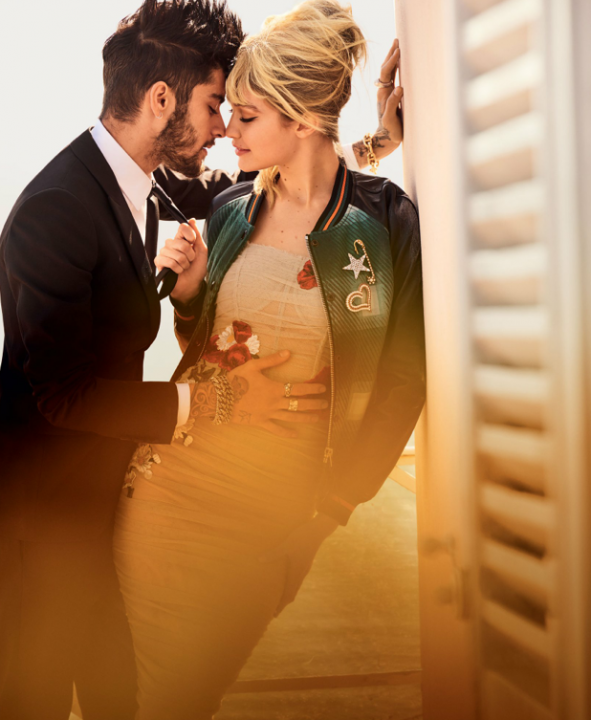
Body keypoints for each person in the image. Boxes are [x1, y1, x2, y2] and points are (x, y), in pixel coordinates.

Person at [0, 0, 401, 717]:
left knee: (123, 700)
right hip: (43, 522)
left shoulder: (139, 180)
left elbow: (278, 184)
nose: (222, 128)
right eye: (216, 106)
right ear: (162, 100)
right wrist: (214, 400)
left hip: (111, 503)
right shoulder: (56, 207)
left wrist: (371, 145)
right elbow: (61, 394)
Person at [112, 2, 425, 718]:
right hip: (171, 490)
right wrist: (189, 298)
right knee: (169, 698)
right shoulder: (229, 210)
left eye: (247, 116)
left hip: (278, 516)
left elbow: (405, 380)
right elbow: (208, 353)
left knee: (195, 690)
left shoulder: (384, 223)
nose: (227, 129)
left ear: (303, 119)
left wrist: (325, 518)